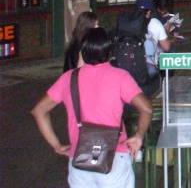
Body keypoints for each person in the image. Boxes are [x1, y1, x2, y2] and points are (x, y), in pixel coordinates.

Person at [31, 27, 153, 188]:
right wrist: (138, 136)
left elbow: (39, 111)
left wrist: (57, 145)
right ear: (110, 52)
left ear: (83, 52)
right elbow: (146, 109)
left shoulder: (68, 78)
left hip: (80, 160)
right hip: (114, 158)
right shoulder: (120, 77)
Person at [138, 0, 175, 81]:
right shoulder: (154, 23)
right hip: (149, 66)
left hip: (129, 66)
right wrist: (168, 34)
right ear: (150, 11)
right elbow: (166, 47)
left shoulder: (128, 22)